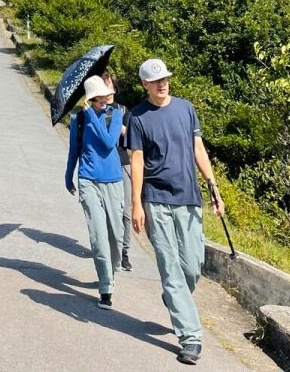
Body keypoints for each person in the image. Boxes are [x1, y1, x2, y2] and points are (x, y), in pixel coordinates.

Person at [128, 58, 224, 365]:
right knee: (170, 269)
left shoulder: (186, 108)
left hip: (188, 197)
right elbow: (138, 161)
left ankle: (173, 297)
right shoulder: (139, 118)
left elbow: (198, 148)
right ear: (145, 84)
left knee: (193, 265)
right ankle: (190, 337)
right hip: (156, 200)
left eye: (165, 78)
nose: (162, 83)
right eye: (155, 80)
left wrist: (212, 184)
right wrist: (136, 204)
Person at [65, 75, 125, 309]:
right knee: (98, 236)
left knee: (116, 235)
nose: (103, 102)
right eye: (98, 100)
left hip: (113, 181)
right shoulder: (79, 118)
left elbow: (109, 142)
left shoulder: (115, 114)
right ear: (91, 98)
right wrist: (68, 175)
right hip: (88, 180)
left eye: (104, 99)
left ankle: (113, 268)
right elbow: (74, 150)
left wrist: (93, 114)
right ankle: (106, 287)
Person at [102, 70, 133, 272]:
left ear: (114, 87)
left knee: (125, 211)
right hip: (104, 163)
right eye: (102, 84)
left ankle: (124, 252)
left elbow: (132, 138)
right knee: (106, 211)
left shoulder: (123, 110)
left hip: (122, 162)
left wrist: (121, 129)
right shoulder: (95, 110)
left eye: (108, 83)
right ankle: (108, 248)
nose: (105, 87)